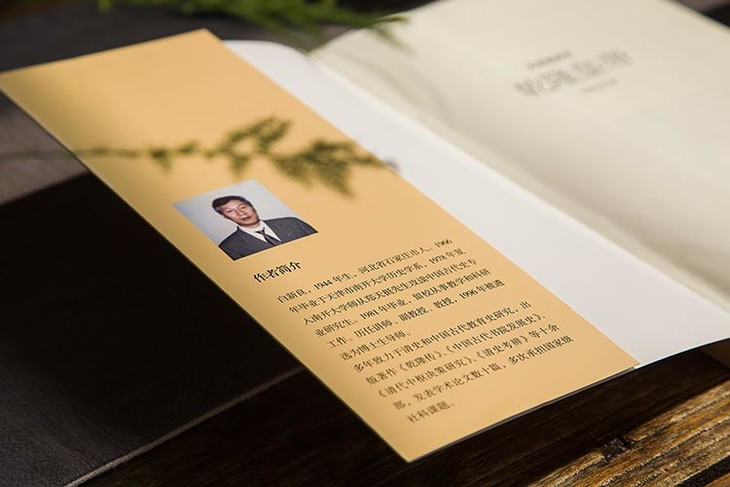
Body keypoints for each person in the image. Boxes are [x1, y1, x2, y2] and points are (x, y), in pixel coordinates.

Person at [212, 195, 316, 260]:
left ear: (252, 207)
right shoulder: (228, 248)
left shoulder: (292, 222)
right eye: (230, 211)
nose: (241, 213)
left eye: (243, 207)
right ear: (225, 216)